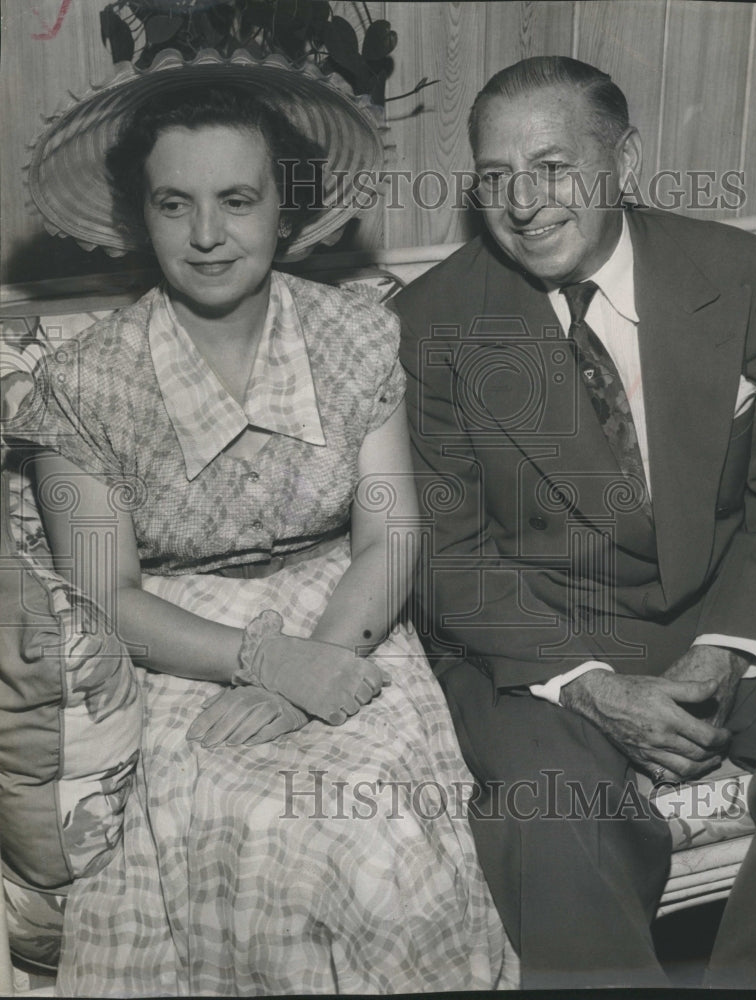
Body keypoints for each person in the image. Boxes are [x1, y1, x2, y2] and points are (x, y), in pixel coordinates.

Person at [10, 52, 518, 995]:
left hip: (352, 615)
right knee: (260, 832)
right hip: (177, 648)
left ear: (284, 208)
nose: (208, 235)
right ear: (140, 215)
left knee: (383, 842)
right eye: (174, 204)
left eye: (237, 201)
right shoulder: (79, 384)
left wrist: (315, 665)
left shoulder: (358, 334)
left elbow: (391, 534)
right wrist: (260, 661)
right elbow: (105, 593)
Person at [392, 55, 756, 989]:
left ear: (623, 158)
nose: (523, 203)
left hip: (726, 609)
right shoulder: (429, 324)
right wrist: (589, 688)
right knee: (549, 814)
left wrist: (727, 646)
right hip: (544, 638)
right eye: (494, 177)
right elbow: (450, 562)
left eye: (552, 166)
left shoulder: (734, 273)